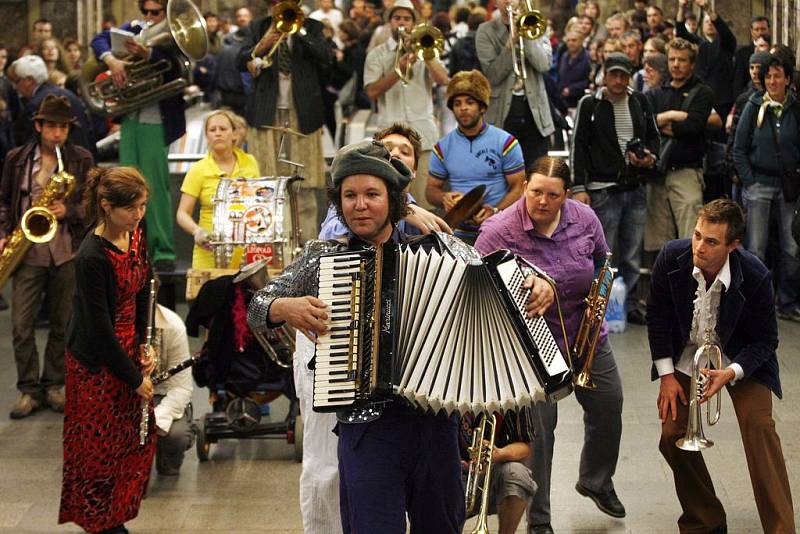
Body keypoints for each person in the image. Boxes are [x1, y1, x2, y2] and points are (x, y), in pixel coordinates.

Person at [248, 139, 464, 532]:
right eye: (349, 195)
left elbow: (500, 283)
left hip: (435, 423)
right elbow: (258, 306)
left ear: (395, 200)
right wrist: (285, 308)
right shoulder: (324, 257)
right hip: (366, 429)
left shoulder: (442, 252)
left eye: (371, 194)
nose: (359, 205)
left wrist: (540, 283)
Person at [475, 156, 625, 534]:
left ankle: (596, 480)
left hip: (583, 335)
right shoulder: (498, 230)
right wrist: (527, 278)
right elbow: (476, 289)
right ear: (525, 187)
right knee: (539, 433)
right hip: (528, 349)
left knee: (610, 405)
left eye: (552, 195)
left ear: (567, 195)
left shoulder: (584, 219)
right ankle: (539, 519)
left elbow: (601, 262)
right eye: (536, 192)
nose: (542, 202)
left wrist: (598, 306)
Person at [646, 198, 795, 534]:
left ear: (733, 245)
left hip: (739, 356)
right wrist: (667, 377)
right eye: (697, 235)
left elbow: (765, 341)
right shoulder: (672, 256)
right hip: (688, 352)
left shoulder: (756, 274)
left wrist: (732, 372)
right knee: (672, 433)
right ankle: (706, 519)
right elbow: (656, 317)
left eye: (711, 241)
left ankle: (781, 528)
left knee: (759, 428)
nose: (699, 246)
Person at [59, 166, 155, 534]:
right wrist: (134, 379)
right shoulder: (91, 257)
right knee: (98, 450)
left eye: (143, 206)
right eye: (131, 208)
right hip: (97, 363)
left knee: (128, 441)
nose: (138, 215)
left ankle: (116, 516)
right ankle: (101, 524)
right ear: (105, 205)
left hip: (128, 346)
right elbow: (98, 331)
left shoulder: (135, 234)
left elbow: (146, 285)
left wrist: (148, 343)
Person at [0, 95, 93, 419]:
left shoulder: (80, 159)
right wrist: (2, 235)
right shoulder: (17, 159)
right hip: (27, 251)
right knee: (21, 325)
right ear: (38, 126)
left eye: (63, 128)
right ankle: (28, 389)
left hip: (66, 251)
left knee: (62, 323)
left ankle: (54, 385)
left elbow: (93, 205)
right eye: (51, 126)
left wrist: (68, 210)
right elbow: (3, 201)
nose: (57, 133)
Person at [90, 0, 188, 271]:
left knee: (154, 187)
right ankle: (127, 246)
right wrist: (112, 60)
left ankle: (163, 252)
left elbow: (179, 68)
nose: (149, 17)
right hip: (131, 118)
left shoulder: (175, 36)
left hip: (157, 121)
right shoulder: (134, 29)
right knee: (125, 186)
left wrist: (149, 56)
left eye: (156, 12)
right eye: (146, 11)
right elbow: (99, 39)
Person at [571, 53, 659, 326]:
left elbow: (653, 137)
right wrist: (578, 186)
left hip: (634, 186)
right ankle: (600, 304)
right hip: (602, 189)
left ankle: (630, 304)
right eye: (614, 75)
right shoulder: (590, 104)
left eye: (624, 75)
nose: (619, 81)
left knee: (632, 252)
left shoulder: (639, 101)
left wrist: (649, 157)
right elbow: (579, 147)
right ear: (605, 76)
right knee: (603, 252)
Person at [237, 0, 333, 245]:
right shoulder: (258, 26)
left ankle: (308, 248)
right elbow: (239, 60)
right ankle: (272, 246)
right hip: (267, 114)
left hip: (303, 115)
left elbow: (325, 57)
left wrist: (298, 30)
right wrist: (263, 44)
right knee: (268, 184)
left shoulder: (311, 26)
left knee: (305, 185)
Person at [363, 0, 450, 210]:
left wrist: (426, 56)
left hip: (423, 136)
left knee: (423, 203)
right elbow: (372, 92)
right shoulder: (377, 54)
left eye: (406, 19)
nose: (401, 23)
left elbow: (443, 80)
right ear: (389, 22)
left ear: (414, 23)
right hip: (389, 139)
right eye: (397, 18)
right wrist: (398, 71)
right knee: (391, 202)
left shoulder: (426, 50)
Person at [733, 55, 800, 321]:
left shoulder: (795, 107)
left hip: (789, 187)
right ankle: (757, 303)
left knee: (791, 246)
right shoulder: (753, 105)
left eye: (778, 75)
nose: (773, 81)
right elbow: (739, 149)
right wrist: (750, 181)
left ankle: (788, 301)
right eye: (768, 76)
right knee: (756, 248)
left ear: (787, 79)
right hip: (759, 183)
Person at [426, 70, 526, 243]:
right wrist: (443, 197)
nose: (463, 108)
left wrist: (495, 212)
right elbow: (430, 191)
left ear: (482, 107)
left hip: (500, 228)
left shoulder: (506, 142)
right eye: (457, 103)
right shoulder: (442, 147)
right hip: (458, 233)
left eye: (470, 102)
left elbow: (519, 187)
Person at [644, 38, 713, 254]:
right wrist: (674, 116)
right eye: (672, 59)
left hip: (687, 172)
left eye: (682, 60)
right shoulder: (655, 93)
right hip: (657, 174)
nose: (676, 64)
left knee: (691, 236)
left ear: (692, 64)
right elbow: (645, 125)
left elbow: (692, 127)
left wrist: (660, 122)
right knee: (658, 242)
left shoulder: (702, 93)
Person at [476, 0, 554, 171]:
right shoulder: (485, 30)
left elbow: (544, 65)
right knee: (503, 176)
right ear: (496, 2)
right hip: (502, 116)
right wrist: (510, 44)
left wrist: (526, 37)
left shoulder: (536, 23)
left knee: (537, 174)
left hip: (535, 117)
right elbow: (492, 76)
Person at [176, 110, 260, 269]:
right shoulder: (198, 170)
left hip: (246, 249)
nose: (218, 134)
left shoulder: (251, 162)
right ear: (207, 138)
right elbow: (182, 213)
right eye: (212, 130)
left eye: (223, 129)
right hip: (209, 250)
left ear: (234, 134)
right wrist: (197, 231)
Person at [461, 409, 537, 534]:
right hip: (445, 477)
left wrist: (498, 453)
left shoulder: (513, 392)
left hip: (486, 475)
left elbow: (524, 445)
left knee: (516, 474)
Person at [8, 55, 96, 156]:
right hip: (83, 161)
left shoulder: (35, 105)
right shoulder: (69, 95)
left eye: (17, 81)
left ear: (29, 80)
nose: (15, 87)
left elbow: (30, 148)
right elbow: (89, 134)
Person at [152, 303, 195, 477]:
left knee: (175, 435)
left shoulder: (172, 325)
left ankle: (168, 457)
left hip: (162, 396)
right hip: (127, 395)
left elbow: (181, 387)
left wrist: (156, 419)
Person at [675, 0, 737, 121]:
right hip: (700, 97)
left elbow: (725, 33)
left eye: (712, 22)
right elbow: (681, 32)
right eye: (706, 22)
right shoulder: (699, 44)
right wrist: (681, 7)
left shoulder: (726, 44)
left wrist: (708, 10)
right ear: (702, 26)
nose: (709, 24)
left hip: (721, 100)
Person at [732, 16, 771, 101]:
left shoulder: (773, 51)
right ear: (751, 31)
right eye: (757, 29)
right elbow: (738, 82)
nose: (760, 32)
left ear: (769, 30)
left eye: (763, 29)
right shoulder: (741, 54)